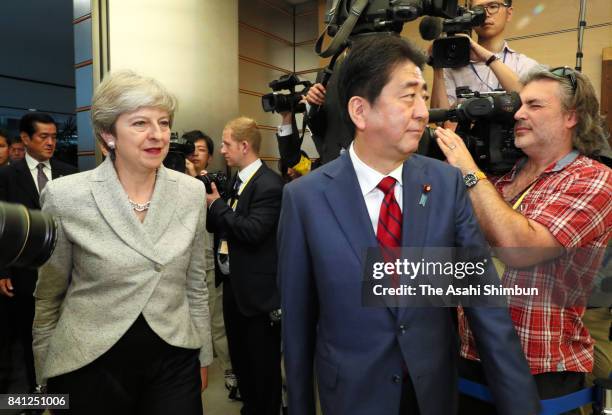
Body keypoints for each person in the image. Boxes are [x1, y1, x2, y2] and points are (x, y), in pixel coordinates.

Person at [278, 34, 539, 415]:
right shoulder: (305, 199)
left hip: (431, 393)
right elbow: (297, 328)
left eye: (422, 95)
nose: (423, 111)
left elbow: (485, 305)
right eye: (408, 96)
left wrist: (521, 406)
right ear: (360, 111)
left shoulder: (445, 185)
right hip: (352, 396)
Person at [31, 70, 213, 414]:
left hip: (173, 360)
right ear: (107, 135)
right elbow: (49, 293)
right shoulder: (66, 196)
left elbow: (196, 285)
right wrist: (46, 374)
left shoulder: (190, 191)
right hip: (89, 363)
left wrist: (203, 354)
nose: (157, 134)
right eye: (140, 123)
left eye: (163, 122)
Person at [435, 66, 612, 414]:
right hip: (471, 359)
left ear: (571, 117)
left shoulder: (594, 180)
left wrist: (467, 170)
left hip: (541, 371)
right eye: (519, 105)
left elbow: (521, 247)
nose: (518, 114)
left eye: (535, 105)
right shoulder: (501, 180)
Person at [206, 117, 284, 415]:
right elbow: (218, 226)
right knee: (242, 364)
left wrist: (217, 205)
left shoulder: (269, 184)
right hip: (233, 289)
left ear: (244, 145)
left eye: (226, 144)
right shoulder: (235, 180)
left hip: (259, 296)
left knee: (263, 370)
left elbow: (252, 231)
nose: (222, 150)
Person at [0, 112, 77, 395]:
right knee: (29, 335)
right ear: (25, 138)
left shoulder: (69, 172)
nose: (50, 142)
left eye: (54, 137)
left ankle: (63, 392)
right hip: (23, 271)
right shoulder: (7, 176)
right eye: (43, 136)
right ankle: (38, 394)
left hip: (64, 269)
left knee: (62, 334)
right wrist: (2, 272)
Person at [182, 128, 238, 398]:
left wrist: (194, 177)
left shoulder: (215, 181)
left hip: (207, 259)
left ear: (211, 156)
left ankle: (229, 368)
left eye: (200, 150)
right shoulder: (168, 179)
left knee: (216, 321)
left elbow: (215, 208)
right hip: (177, 262)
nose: (194, 154)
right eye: (190, 149)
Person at [430, 0, 538, 110]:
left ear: (509, 13)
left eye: (493, 6)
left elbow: (528, 101)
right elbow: (440, 120)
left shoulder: (525, 65)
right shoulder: (453, 66)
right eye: (477, 10)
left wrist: (488, 58)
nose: (485, 14)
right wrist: (438, 65)